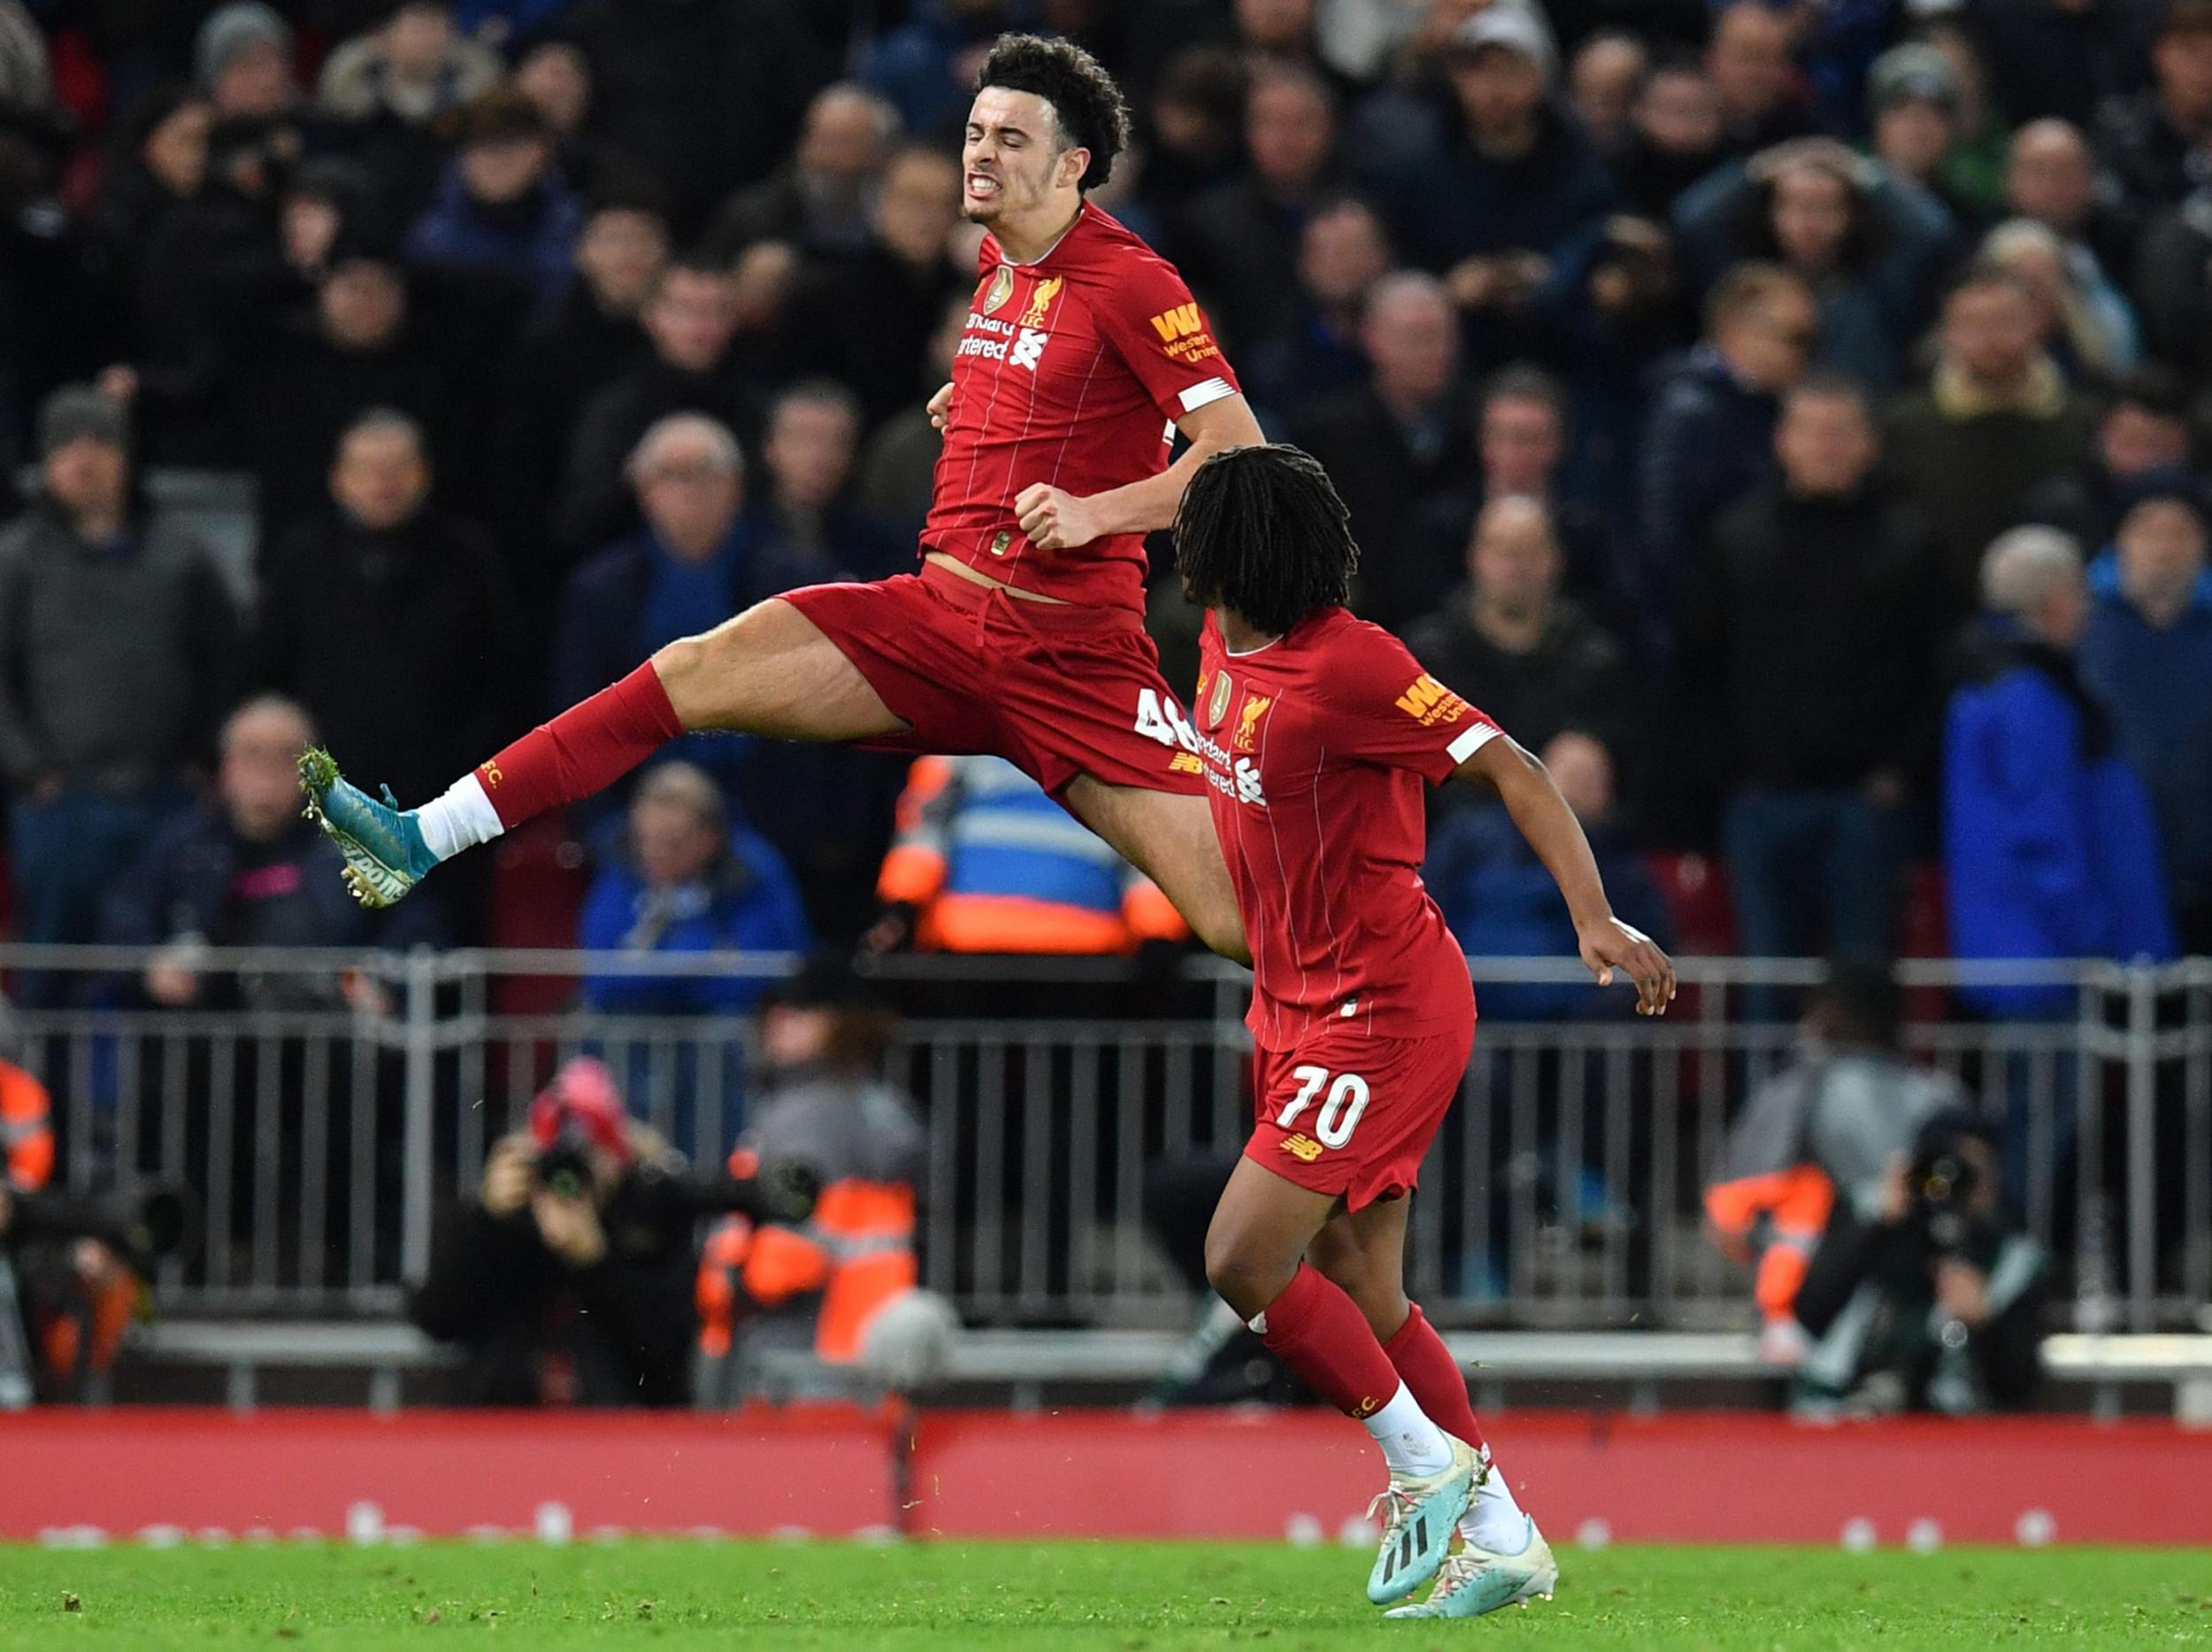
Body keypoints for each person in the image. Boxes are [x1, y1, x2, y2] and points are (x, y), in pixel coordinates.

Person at [303, 36, 1266, 978]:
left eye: (1011, 139)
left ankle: (1395, 972)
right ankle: (422, 834)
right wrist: (972, 397)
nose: (980, 152)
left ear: (1073, 164)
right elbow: (1061, 393)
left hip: (1068, 654)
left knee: (1236, 919)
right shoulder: (997, 266)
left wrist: (1101, 513)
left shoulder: (1132, 278)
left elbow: (1237, 452)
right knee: (690, 669)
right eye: (975, 131)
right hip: (939, 621)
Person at [1174, 443, 1674, 1619]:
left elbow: (1515, 766)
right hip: (1292, 999)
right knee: (1365, 1287)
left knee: (1242, 1257)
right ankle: (1505, 1535)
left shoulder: (1354, 663)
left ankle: (1425, 1466)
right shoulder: (1216, 646)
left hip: (1381, 1006)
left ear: (1225, 553)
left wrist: (1591, 915)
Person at [1682, 373, 1946, 973]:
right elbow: (1698, 668)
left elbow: (1937, 670)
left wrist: (1898, 774)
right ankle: (1770, 1074)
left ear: (1869, 444)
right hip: (1762, 800)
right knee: (1767, 976)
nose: (1828, 446)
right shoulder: (1736, 538)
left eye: (1842, 432)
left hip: (1869, 803)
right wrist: (1733, 774)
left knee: (1864, 977)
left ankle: (1859, 1074)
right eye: (1813, 432)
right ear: (1783, 441)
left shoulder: (1910, 542)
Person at [1944, 528, 2175, 1186]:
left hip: (2025, 941)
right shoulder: (2030, 696)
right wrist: (2092, 932)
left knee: (2035, 1108)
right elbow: (2044, 828)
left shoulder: (2006, 683)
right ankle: (2003, 1259)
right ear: (2050, 600)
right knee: (2041, 1112)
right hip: (2042, 946)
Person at [0, 386, 238, 1002]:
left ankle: (153, 1099)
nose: (85, 460)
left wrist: (203, 759)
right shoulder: (18, 558)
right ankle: (43, 1098)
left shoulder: (181, 553)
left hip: (166, 797)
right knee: (54, 963)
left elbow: (228, 660)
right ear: (46, 462)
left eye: (100, 443)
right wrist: (31, 770)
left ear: (126, 456)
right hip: (61, 803)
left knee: (164, 971)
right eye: (68, 446)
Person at [254, 410, 513, 848]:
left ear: (423, 475)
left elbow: (501, 676)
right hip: (323, 799)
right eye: (366, 470)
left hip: (443, 795)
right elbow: (266, 665)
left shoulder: (468, 559)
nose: (383, 483)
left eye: (397, 469)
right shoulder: (301, 558)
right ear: (338, 478)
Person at [695, 958, 932, 1402]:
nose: (778, 1022)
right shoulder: (883, 1112)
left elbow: (790, 1250)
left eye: (802, 1011)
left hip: (787, 1355)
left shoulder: (807, 1115)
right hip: (861, 1352)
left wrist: (732, 1286)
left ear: (843, 1022)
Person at [1703, 964, 1965, 1360]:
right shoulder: (1939, 1094)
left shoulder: (1805, 1089)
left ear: (1835, 1015)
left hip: (1856, 1292)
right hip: (1833, 1293)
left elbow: (1726, 1220)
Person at [100, 696, 426, 1013]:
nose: (268, 770)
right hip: (205, 1040)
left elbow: (417, 933)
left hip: (321, 1041)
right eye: (252, 754)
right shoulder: (183, 845)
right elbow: (124, 916)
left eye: (287, 756)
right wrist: (152, 964)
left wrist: (380, 984)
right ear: (226, 767)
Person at [409, 1057, 700, 1406]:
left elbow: (666, 1355)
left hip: (620, 1428)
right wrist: (486, 1220)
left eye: (590, 1155)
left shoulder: (652, 1216)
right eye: (558, 1159)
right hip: (509, 1425)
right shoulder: (508, 1222)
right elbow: (435, 1319)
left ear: (617, 1155)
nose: (569, 1179)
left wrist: (596, 1261)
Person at [1791, 1110, 2049, 1415]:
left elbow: (2018, 1385)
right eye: (1940, 1171)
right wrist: (1876, 1226)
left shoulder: (2013, 1258)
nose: (1956, 1185)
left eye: (1973, 1172)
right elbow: (1808, 1315)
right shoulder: (1871, 1220)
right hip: (1842, 1405)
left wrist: (1986, 1323)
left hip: (1953, 1420)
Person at [1885, 268, 2099, 618]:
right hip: (1937, 615)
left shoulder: (2082, 421)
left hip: (2057, 619)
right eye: (1974, 325)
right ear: (1948, 333)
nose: (1991, 339)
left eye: (2006, 322)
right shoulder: (1904, 426)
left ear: (2036, 326)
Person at [1632, 263, 1817, 656]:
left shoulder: (1763, 406)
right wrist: (1706, 623)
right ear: (1738, 333)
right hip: (1710, 634)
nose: (1807, 355)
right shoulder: (1690, 413)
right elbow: (1666, 534)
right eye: (1796, 338)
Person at [1402, 496, 1638, 783]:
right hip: (1454, 818)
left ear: (1556, 559)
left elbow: (1628, 775)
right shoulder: (1426, 660)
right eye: (1504, 551)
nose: (1517, 567)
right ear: (1474, 558)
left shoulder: (1593, 661)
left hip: (1558, 816)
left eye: (1530, 552)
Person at [1286, 272, 1471, 628]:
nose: (1436, 352)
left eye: (1444, 336)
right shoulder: (1325, 436)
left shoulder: (1477, 426)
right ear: (1373, 340)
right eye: (1417, 337)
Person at [872, 753, 1187, 956]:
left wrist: (903, 905)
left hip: (971, 934)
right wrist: (1156, 935)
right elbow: (1149, 847)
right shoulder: (1124, 736)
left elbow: (924, 825)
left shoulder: (962, 729)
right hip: (1083, 944)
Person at [2078, 482, 2212, 949]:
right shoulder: (2080, 626)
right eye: (2150, 531)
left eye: (2180, 533)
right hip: (2105, 856)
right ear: (2121, 540)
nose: (2165, 547)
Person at [403, 85, 582, 306]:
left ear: (542, 150)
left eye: (509, 143)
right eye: (478, 143)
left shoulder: (578, 230)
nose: (492, 159)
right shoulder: (429, 241)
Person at [702, 81, 900, 264]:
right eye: (817, 139)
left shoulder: (895, 225)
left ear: (878, 155)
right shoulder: (751, 219)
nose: (825, 158)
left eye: (843, 143)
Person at [2022, 363, 2195, 549]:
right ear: (2103, 433)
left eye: (2161, 447)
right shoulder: (2057, 508)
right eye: (2130, 442)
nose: (2143, 460)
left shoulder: (2202, 506)